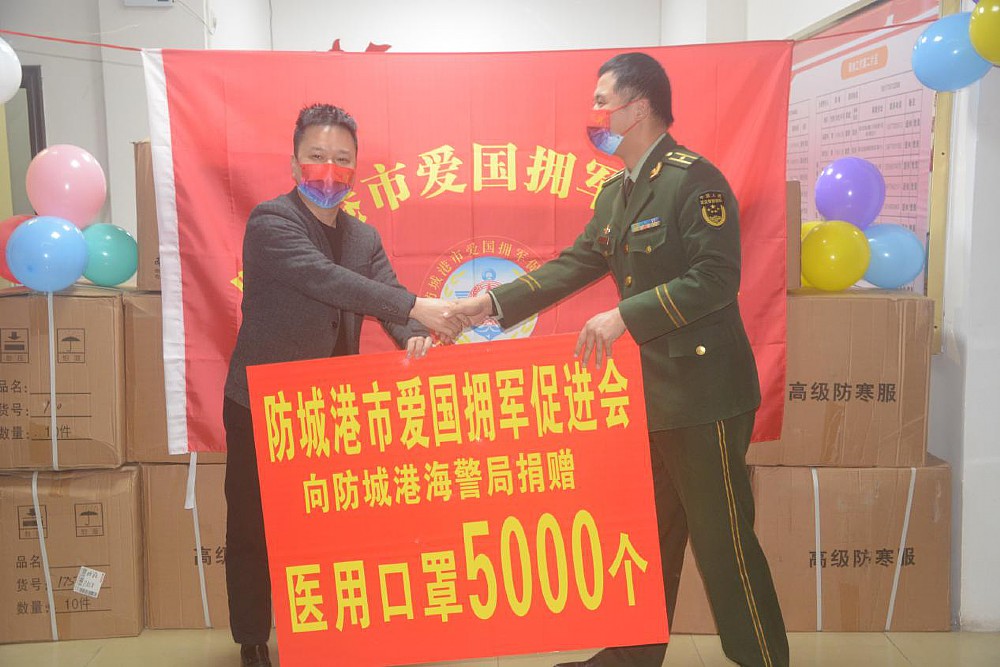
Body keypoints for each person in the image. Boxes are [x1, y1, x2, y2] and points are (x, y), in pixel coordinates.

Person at [451, 53, 788, 667]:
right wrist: (489, 304)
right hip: (654, 393)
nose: (595, 114)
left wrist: (623, 316)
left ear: (638, 107)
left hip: (706, 395)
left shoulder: (694, 180)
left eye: (602, 101)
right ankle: (632, 657)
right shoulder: (617, 194)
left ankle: (762, 659)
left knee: (724, 543)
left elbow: (715, 279)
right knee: (650, 536)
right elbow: (573, 265)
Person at [222, 104, 464, 667]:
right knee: (253, 524)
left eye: (341, 160)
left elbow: (384, 290)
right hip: (263, 402)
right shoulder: (271, 222)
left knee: (327, 524)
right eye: (316, 156)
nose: (328, 170)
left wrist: (413, 335)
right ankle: (252, 638)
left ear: (355, 169)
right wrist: (419, 306)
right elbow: (325, 280)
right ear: (294, 163)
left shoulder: (363, 236)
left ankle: (326, 631)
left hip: (329, 405)